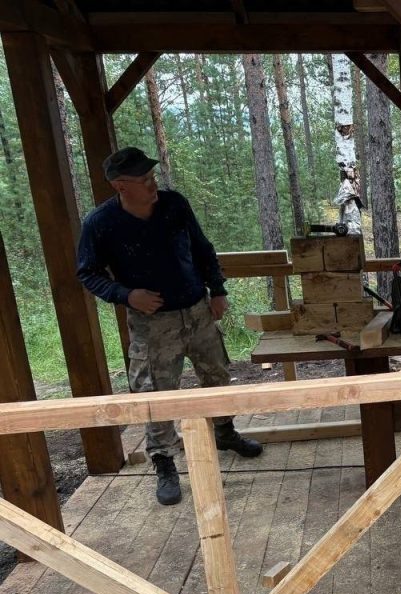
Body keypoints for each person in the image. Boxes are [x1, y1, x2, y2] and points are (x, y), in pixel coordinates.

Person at [76, 147, 262, 507]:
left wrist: (217, 290)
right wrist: (127, 295)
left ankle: (225, 432)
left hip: (197, 310)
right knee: (155, 395)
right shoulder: (100, 223)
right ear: (120, 186)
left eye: (152, 177)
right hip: (152, 324)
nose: (152, 185)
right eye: (143, 180)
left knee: (217, 376)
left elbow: (203, 249)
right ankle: (164, 462)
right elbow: (88, 273)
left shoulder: (174, 205)